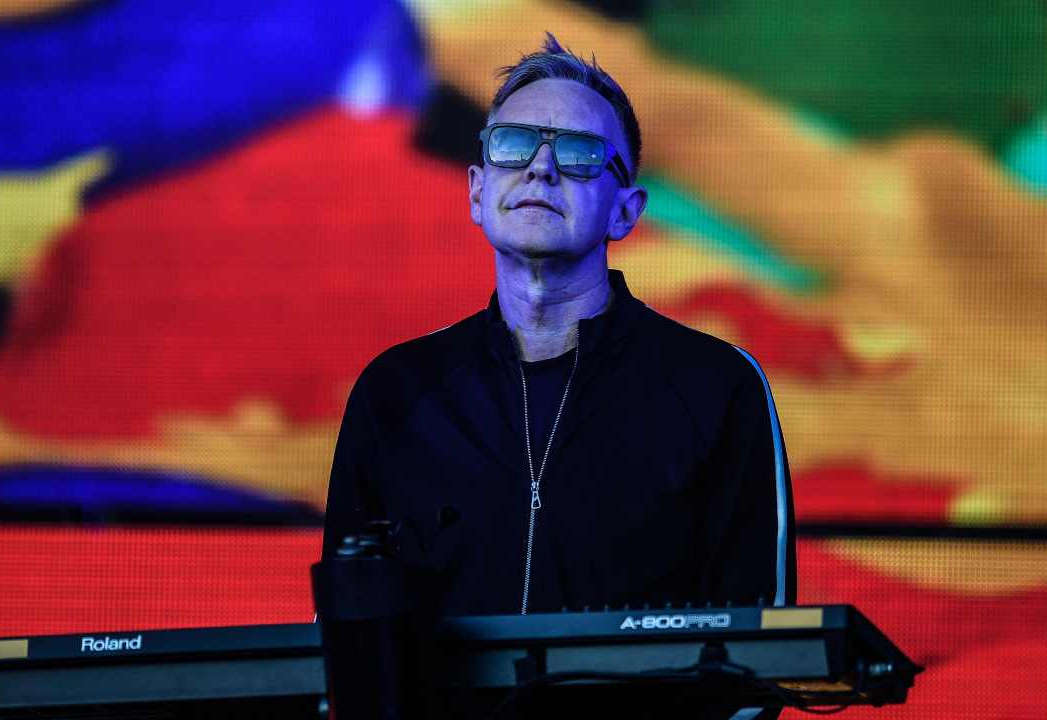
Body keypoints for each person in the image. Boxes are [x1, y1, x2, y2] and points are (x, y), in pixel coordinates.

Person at [323, 34, 794, 623]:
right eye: (513, 144)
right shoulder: (396, 392)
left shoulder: (716, 387)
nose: (541, 168)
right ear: (477, 191)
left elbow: (761, 640)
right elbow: (349, 634)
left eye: (579, 153)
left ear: (625, 210)